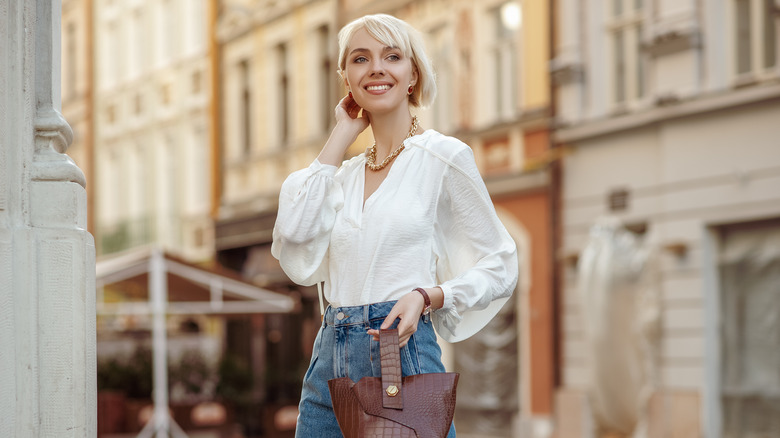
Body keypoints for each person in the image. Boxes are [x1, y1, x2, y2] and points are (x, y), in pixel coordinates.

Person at [271, 13, 518, 437]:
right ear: (346, 78)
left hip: (397, 353)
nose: (376, 68)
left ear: (413, 75)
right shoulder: (340, 175)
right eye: (360, 59)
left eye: (392, 56)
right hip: (329, 356)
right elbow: (293, 240)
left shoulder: (443, 157)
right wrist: (341, 134)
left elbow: (501, 263)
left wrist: (429, 296)